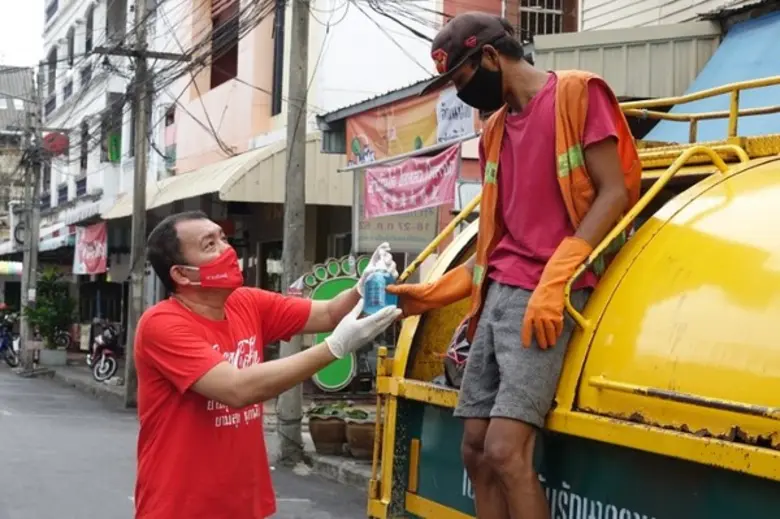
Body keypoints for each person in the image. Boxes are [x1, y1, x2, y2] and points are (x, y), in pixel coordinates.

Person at [386, 12, 642, 519]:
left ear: (488, 57)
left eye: (461, 79)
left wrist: (559, 275)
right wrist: (440, 291)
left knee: (505, 450)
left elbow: (617, 191)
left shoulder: (577, 94)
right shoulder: (495, 129)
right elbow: (498, 237)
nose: (462, 94)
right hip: (500, 294)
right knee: (475, 451)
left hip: (548, 292)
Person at [133, 210, 401, 519]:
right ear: (182, 274)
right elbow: (236, 389)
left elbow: (328, 314)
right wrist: (334, 347)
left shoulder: (246, 302)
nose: (227, 250)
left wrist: (364, 286)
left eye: (223, 238)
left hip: (245, 505)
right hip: (180, 508)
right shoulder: (162, 325)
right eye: (210, 245)